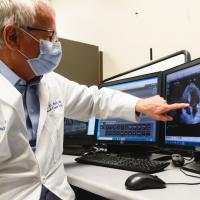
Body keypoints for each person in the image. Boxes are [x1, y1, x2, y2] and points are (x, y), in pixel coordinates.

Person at [0, 0, 188, 199]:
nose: (56, 44)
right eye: (49, 36)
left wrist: (140, 104)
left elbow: (93, 100)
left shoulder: (51, 83)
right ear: (12, 37)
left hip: (57, 193)